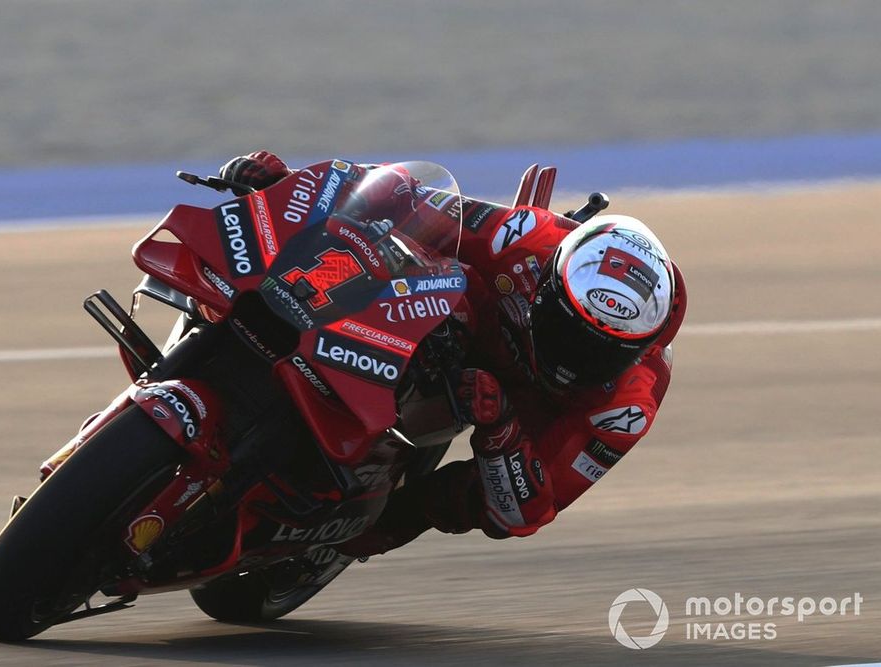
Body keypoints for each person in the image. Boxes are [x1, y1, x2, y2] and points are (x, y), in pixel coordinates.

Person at [219, 151, 687, 554]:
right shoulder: (527, 238)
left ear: (641, 347)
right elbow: (406, 197)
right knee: (382, 246)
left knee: (468, 503)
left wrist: (502, 429)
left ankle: (356, 525)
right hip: (463, 325)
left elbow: (531, 510)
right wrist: (289, 185)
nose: (576, 359)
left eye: (601, 353)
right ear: (547, 288)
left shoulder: (629, 405)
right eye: (571, 334)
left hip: (519, 411)